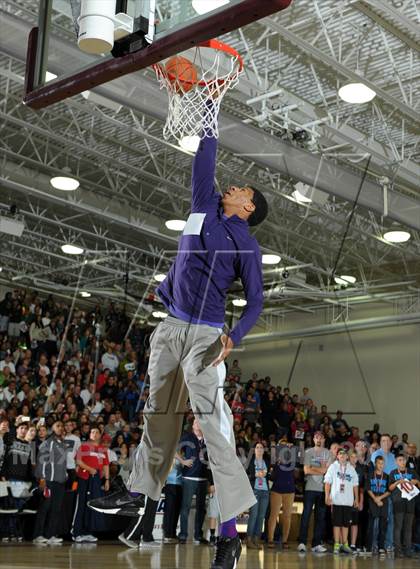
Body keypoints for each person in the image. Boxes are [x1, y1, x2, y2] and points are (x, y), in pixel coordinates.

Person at [87, 101, 268, 569]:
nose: (232, 184)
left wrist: (237, 334)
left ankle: (229, 532)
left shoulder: (247, 243)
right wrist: (208, 112)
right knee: (157, 418)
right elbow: (204, 159)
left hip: (207, 335)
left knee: (213, 426)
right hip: (170, 328)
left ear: (248, 207)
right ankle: (136, 495)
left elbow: (256, 300)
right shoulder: (203, 207)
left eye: (242, 188)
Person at [71, 426, 110, 543]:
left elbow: (105, 465)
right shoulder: (84, 446)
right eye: (92, 431)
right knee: (81, 504)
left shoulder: (103, 449)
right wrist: (90, 469)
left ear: (100, 435)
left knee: (92, 505)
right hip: (84, 478)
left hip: (96, 480)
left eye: (97, 432)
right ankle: (76, 532)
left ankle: (88, 532)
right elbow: (78, 461)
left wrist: (107, 479)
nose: (94, 433)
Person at [33, 421, 68, 545]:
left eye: (61, 426)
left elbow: (63, 464)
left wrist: (65, 476)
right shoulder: (47, 443)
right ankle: (38, 535)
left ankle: (51, 535)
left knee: (56, 509)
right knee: (45, 508)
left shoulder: (63, 444)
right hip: (48, 481)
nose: (60, 428)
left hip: (60, 482)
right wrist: (42, 479)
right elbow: (41, 461)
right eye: (57, 425)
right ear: (52, 428)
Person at [177, 419, 210, 545]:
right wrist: (183, 461)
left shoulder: (207, 439)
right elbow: (174, 451)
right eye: (196, 422)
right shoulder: (187, 437)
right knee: (185, 507)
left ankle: (198, 535)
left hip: (203, 478)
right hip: (189, 478)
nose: (198, 424)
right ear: (193, 425)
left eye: (200, 422)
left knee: (201, 509)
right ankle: (183, 535)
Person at [297, 431, 329, 553]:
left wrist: (313, 468)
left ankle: (316, 544)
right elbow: (306, 471)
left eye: (321, 437)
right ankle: (302, 542)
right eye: (316, 437)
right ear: (314, 440)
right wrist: (321, 469)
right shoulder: (308, 452)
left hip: (322, 489)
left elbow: (327, 471)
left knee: (320, 518)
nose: (319, 439)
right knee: (306, 515)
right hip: (310, 488)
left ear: (324, 439)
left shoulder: (328, 453)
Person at [324, 448, 359, 555]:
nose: (342, 455)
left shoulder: (351, 469)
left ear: (347, 457)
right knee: (336, 523)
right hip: (336, 500)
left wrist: (356, 498)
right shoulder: (333, 467)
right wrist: (327, 496)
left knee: (346, 524)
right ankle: (337, 544)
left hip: (348, 501)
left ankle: (345, 544)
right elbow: (327, 482)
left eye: (344, 454)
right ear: (337, 456)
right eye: (340, 454)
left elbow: (355, 484)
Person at [389, 454, 419, 557]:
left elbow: (419, 483)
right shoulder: (393, 473)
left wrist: (416, 481)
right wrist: (398, 481)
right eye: (400, 460)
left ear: (406, 461)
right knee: (398, 527)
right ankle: (398, 551)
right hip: (398, 503)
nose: (402, 461)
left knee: (408, 528)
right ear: (396, 462)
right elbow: (390, 488)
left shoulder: (411, 472)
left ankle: (408, 550)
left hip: (410, 503)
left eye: (403, 460)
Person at [267, 440, 296, 549]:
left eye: (286, 445)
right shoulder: (275, 459)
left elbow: (300, 455)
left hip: (289, 490)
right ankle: (270, 539)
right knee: (273, 515)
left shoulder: (291, 459)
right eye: (282, 445)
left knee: (287, 516)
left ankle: (285, 540)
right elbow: (271, 469)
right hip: (277, 490)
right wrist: (275, 447)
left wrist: (293, 446)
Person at [371, 434, 397, 551]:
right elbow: (374, 472)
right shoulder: (376, 454)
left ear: (391, 443)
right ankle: (375, 543)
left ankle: (388, 544)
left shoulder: (393, 456)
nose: (385, 443)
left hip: (391, 491)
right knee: (377, 520)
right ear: (380, 443)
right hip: (379, 491)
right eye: (383, 441)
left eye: (387, 441)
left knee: (390, 519)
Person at [246, 442, 270, 550]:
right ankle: (249, 539)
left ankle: (256, 539)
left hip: (265, 491)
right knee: (253, 515)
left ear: (263, 450)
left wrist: (268, 474)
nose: (259, 449)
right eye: (257, 447)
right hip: (254, 490)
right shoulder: (250, 462)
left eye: (261, 448)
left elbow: (270, 475)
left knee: (261, 517)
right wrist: (256, 474)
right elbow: (247, 474)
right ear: (254, 450)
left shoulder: (266, 462)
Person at [365, 455, 390, 555]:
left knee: (382, 526)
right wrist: (375, 499)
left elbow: (389, 491)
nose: (381, 465)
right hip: (373, 502)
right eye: (379, 463)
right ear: (375, 464)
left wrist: (380, 498)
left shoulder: (387, 476)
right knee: (370, 526)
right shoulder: (370, 474)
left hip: (383, 502)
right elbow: (368, 489)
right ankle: (368, 547)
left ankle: (381, 547)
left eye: (382, 463)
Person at [348, 449, 365, 553]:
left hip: (356, 500)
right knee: (344, 523)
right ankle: (343, 543)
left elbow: (362, 488)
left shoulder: (360, 469)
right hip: (345, 500)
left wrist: (361, 501)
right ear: (348, 458)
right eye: (352, 457)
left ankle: (353, 544)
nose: (354, 459)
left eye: (356, 457)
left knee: (355, 523)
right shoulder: (345, 468)